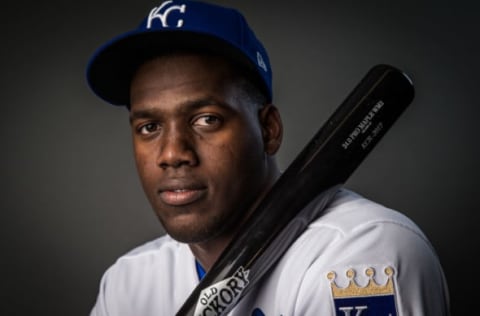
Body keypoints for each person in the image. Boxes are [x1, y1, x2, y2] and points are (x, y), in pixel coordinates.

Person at [86, 1, 450, 315]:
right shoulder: (129, 283)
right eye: (149, 127)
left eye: (207, 120)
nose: (172, 153)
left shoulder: (362, 253)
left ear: (269, 129)